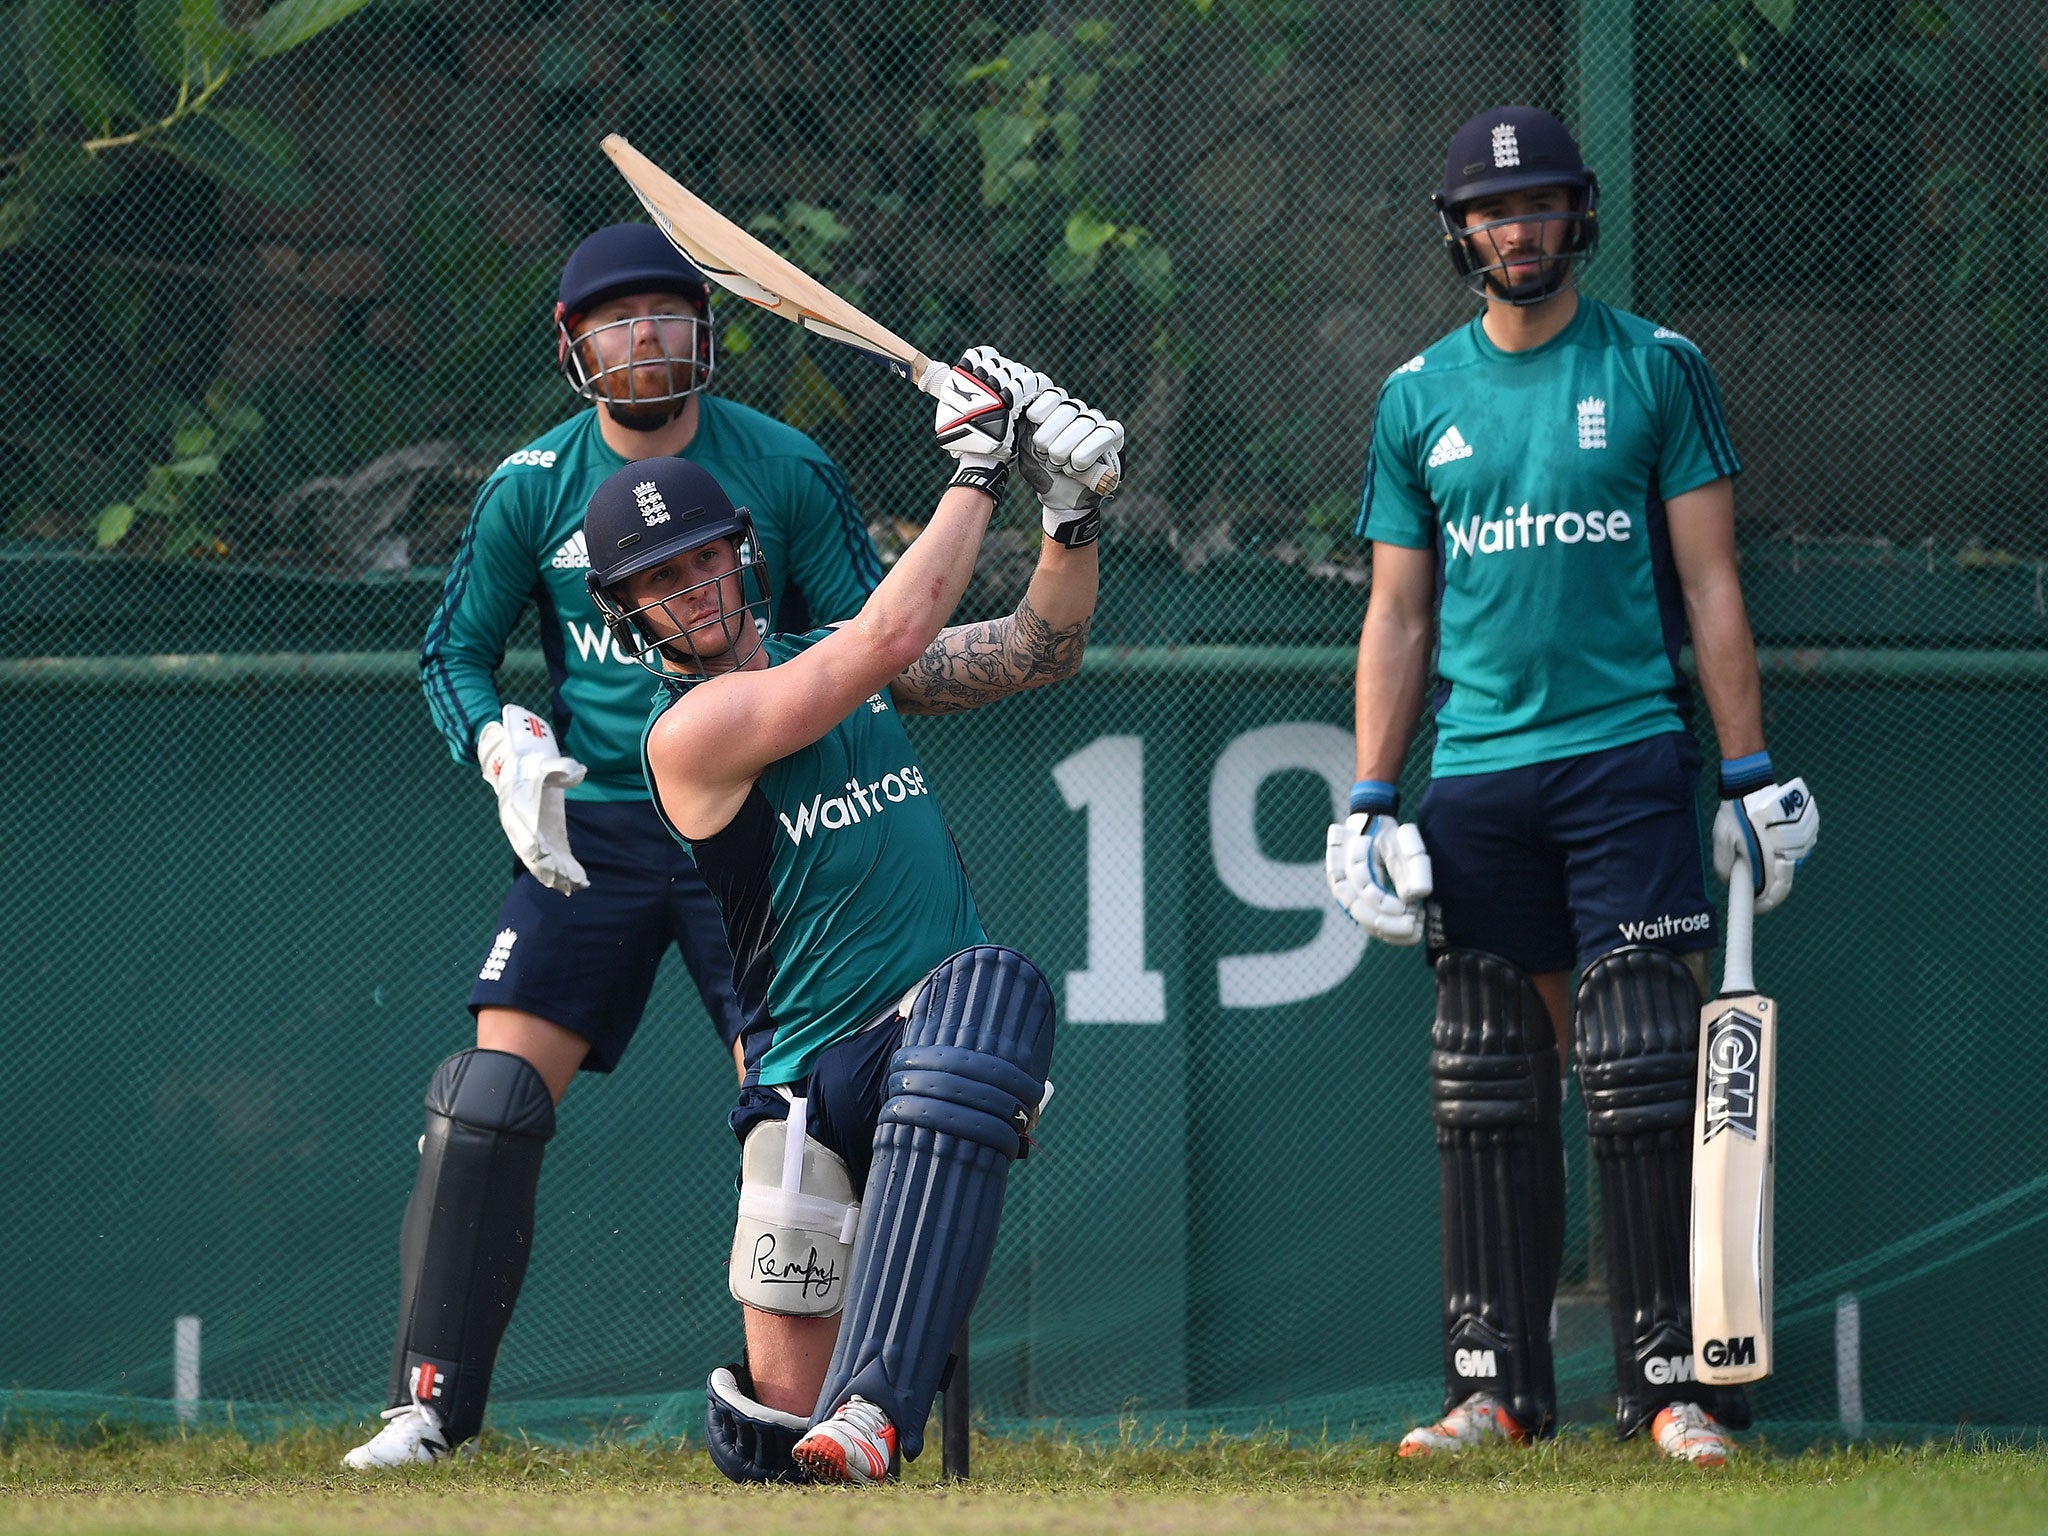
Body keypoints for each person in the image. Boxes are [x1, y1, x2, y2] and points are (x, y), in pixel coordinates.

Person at [343, 223, 885, 1470]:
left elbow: (864, 641)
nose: (642, 341)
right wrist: (499, 748)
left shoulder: (786, 468)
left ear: (706, 331)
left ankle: (820, 1413)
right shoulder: (533, 482)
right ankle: (425, 1406)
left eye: (665, 315)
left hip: (753, 818)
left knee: (796, 1113)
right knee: (483, 1100)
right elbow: (454, 653)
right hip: (590, 828)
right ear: (571, 343)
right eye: (614, 320)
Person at [1324, 105, 1818, 1466]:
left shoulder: (1657, 367)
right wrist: (1369, 797)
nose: (1514, 230)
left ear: (1577, 215)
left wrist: (1751, 772)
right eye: (1489, 212)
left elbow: (1713, 585)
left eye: (1536, 205)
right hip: (1478, 779)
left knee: (1646, 1071)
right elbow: (1399, 617)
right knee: (1489, 1082)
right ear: (1457, 233)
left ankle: (1678, 1389)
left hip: (1626, 763)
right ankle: (1493, 1389)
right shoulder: (1418, 395)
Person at [583, 347, 1122, 1483]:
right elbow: (883, 639)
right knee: (778, 1448)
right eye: (660, 583)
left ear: (742, 554)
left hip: (933, 1022)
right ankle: (836, 1425)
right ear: (629, 616)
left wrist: (1067, 514)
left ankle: (877, 1409)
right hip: (799, 1082)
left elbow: (1040, 649)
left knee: (993, 982)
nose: (695, 590)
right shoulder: (687, 737)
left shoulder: (836, 658)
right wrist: (980, 467)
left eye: (706, 560)